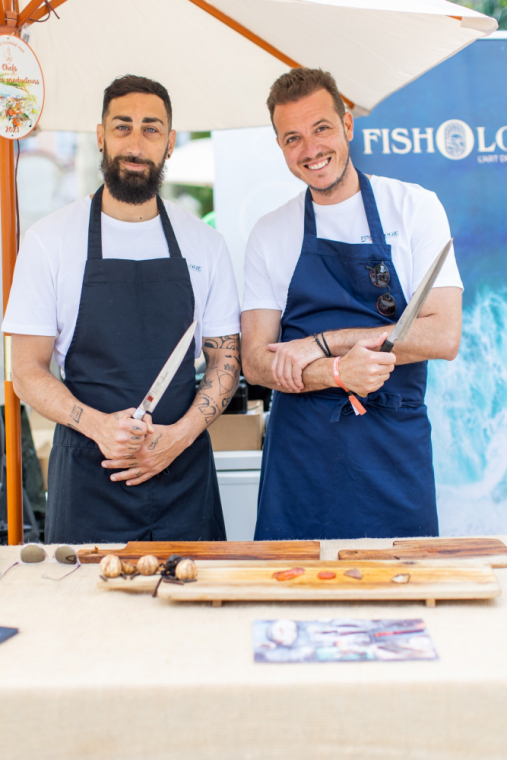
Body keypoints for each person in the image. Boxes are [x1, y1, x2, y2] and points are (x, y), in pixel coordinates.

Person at [3, 75, 241, 544]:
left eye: (151, 129)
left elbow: (225, 360)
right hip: (90, 478)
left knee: (193, 612)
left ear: (170, 143)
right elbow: (26, 370)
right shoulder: (49, 240)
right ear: (100, 137)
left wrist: (179, 436)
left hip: (183, 473)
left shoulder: (205, 244)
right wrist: (96, 426)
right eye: (122, 127)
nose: (135, 143)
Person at [241, 68, 462, 540]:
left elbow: (443, 336)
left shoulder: (414, 207)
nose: (311, 150)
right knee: (291, 598)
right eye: (292, 138)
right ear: (280, 147)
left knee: (401, 597)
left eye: (321, 128)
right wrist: (337, 374)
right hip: (301, 457)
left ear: (348, 124)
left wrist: (323, 344)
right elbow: (257, 363)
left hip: (393, 452)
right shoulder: (269, 233)